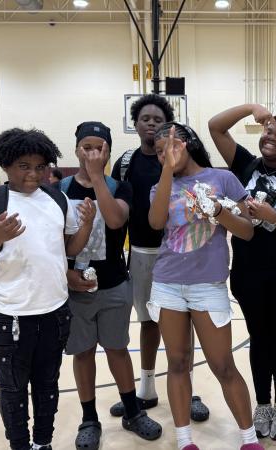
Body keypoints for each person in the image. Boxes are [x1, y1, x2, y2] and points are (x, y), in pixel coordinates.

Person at [0, 128, 96, 450]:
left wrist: (87, 224)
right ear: (6, 165)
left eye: (40, 166)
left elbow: (69, 249)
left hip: (55, 311)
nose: (33, 174)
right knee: (13, 390)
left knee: (48, 385)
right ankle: (19, 444)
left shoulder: (56, 198)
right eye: (24, 166)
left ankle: (43, 442)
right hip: (11, 315)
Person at [148, 123, 262, 450]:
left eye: (171, 147)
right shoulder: (160, 187)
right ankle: (185, 440)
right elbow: (156, 223)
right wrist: (167, 171)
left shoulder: (222, 179)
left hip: (208, 286)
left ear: (188, 144)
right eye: (158, 152)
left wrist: (218, 211)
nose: (164, 155)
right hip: (167, 284)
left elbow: (247, 231)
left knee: (223, 364)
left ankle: (249, 439)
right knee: (178, 363)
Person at [109, 94, 211, 422]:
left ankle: (189, 390)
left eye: (157, 119)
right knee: (148, 322)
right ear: (135, 124)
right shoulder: (126, 162)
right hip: (141, 251)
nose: (151, 123)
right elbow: (116, 208)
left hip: (179, 253)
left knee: (184, 324)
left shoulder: (180, 157)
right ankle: (147, 387)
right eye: (145, 118)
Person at [208, 104, 276, 440]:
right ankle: (262, 403)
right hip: (249, 270)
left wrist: (272, 216)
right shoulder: (244, 164)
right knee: (258, 338)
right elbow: (216, 127)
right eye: (269, 131)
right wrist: (252, 108)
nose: (272, 138)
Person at [62, 122, 162, 450]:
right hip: (75, 289)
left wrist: (96, 180)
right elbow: (53, 243)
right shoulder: (60, 189)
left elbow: (116, 220)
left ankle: (132, 411)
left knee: (117, 349)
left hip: (115, 283)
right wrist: (66, 275)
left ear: (108, 151)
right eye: (86, 147)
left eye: (99, 148)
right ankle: (89, 418)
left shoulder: (120, 187)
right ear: (76, 149)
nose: (92, 153)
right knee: (84, 352)